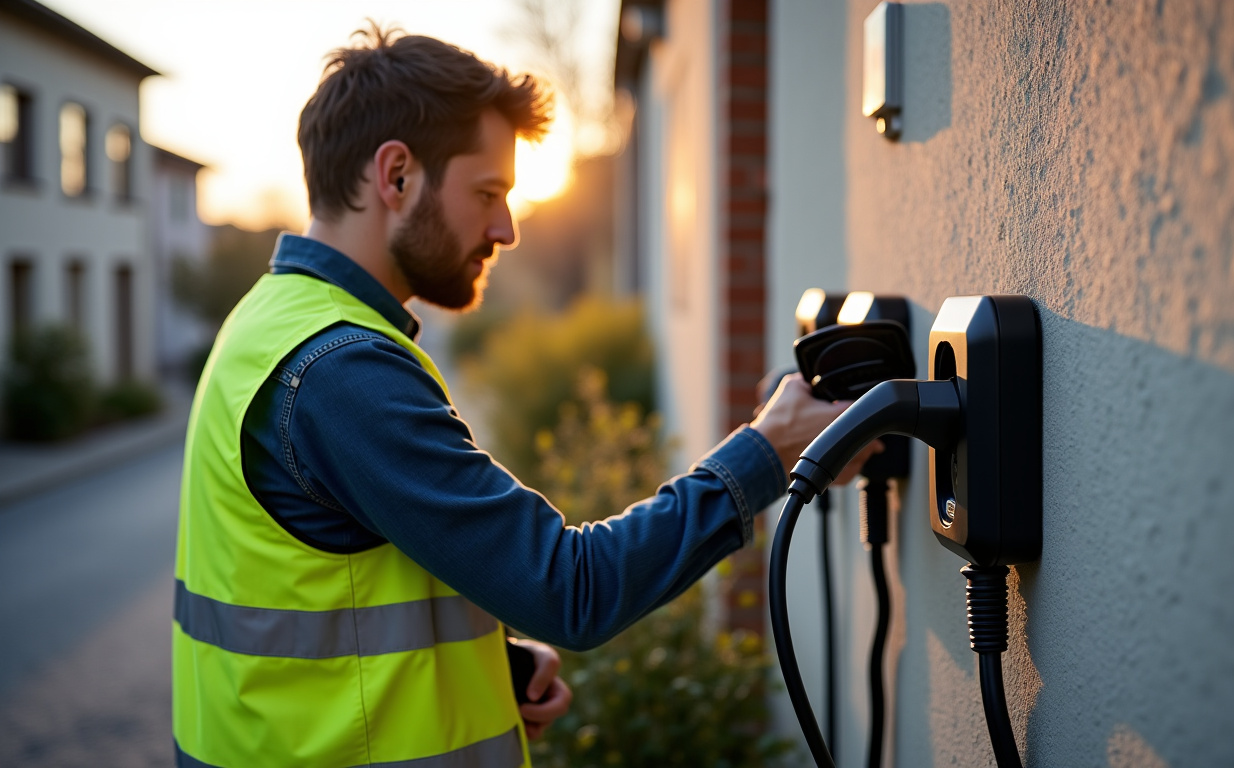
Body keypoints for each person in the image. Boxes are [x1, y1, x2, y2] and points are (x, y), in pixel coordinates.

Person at [171, 24, 875, 768]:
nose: (505, 228)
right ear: (397, 176)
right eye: (487, 192)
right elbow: (573, 589)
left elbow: (316, 589)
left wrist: (489, 659)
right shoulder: (341, 372)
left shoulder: (268, 320)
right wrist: (767, 453)